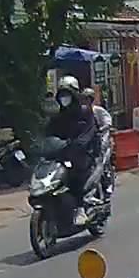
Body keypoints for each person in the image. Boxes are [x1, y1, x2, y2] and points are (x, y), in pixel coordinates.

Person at [46, 76, 99, 225]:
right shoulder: (58, 115)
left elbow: (88, 133)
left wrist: (76, 144)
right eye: (62, 95)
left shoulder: (85, 112)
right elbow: (49, 133)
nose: (64, 98)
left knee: (76, 172)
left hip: (84, 153)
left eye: (67, 94)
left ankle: (80, 208)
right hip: (64, 152)